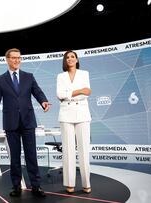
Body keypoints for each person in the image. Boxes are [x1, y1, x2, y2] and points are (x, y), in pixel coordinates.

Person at [0, 48, 50, 197]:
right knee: (14, 157)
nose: (17, 60)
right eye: (14, 58)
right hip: (11, 123)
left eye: (19, 58)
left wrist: (43, 101)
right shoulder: (0, 79)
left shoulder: (29, 76)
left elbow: (37, 91)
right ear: (7, 59)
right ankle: (16, 186)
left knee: (31, 155)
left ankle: (36, 185)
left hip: (28, 121)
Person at [56, 50, 92, 194]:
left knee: (84, 150)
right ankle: (70, 183)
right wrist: (78, 91)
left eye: (72, 57)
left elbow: (88, 92)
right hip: (66, 115)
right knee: (68, 151)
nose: (70, 59)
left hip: (82, 114)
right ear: (65, 61)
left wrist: (69, 94)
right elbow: (59, 95)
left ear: (77, 59)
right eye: (67, 57)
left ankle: (86, 183)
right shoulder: (61, 76)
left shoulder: (84, 74)